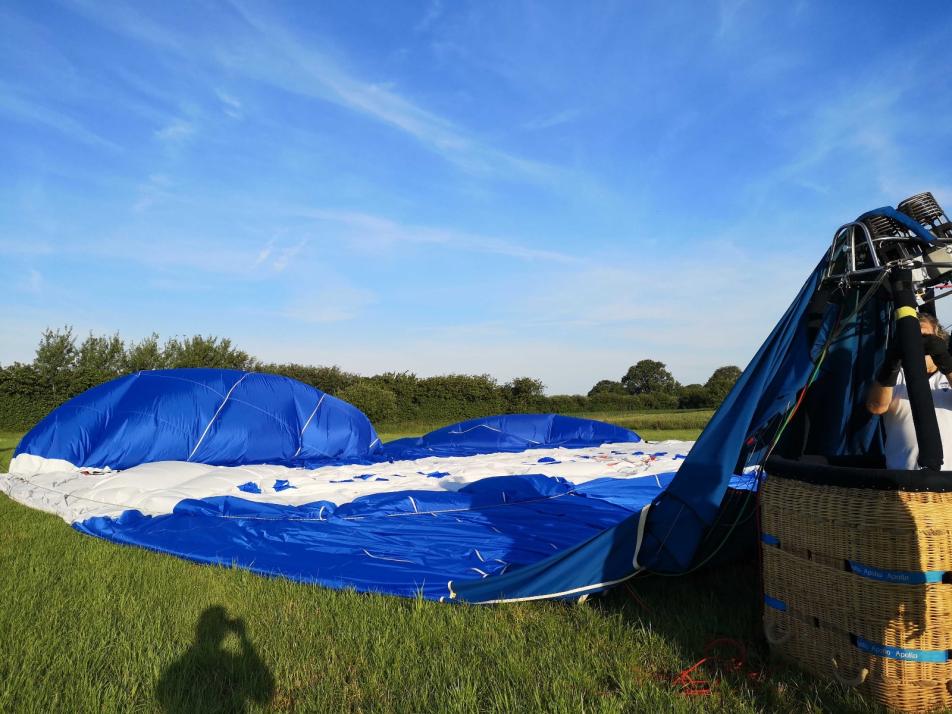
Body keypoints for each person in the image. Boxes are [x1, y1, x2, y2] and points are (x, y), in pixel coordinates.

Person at [866, 313, 952, 470]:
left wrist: (945, 361)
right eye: (912, 337)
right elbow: (876, 407)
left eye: (925, 336)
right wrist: (891, 363)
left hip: (947, 480)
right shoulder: (895, 377)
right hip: (903, 476)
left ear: (938, 338)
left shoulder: (947, 375)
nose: (920, 342)